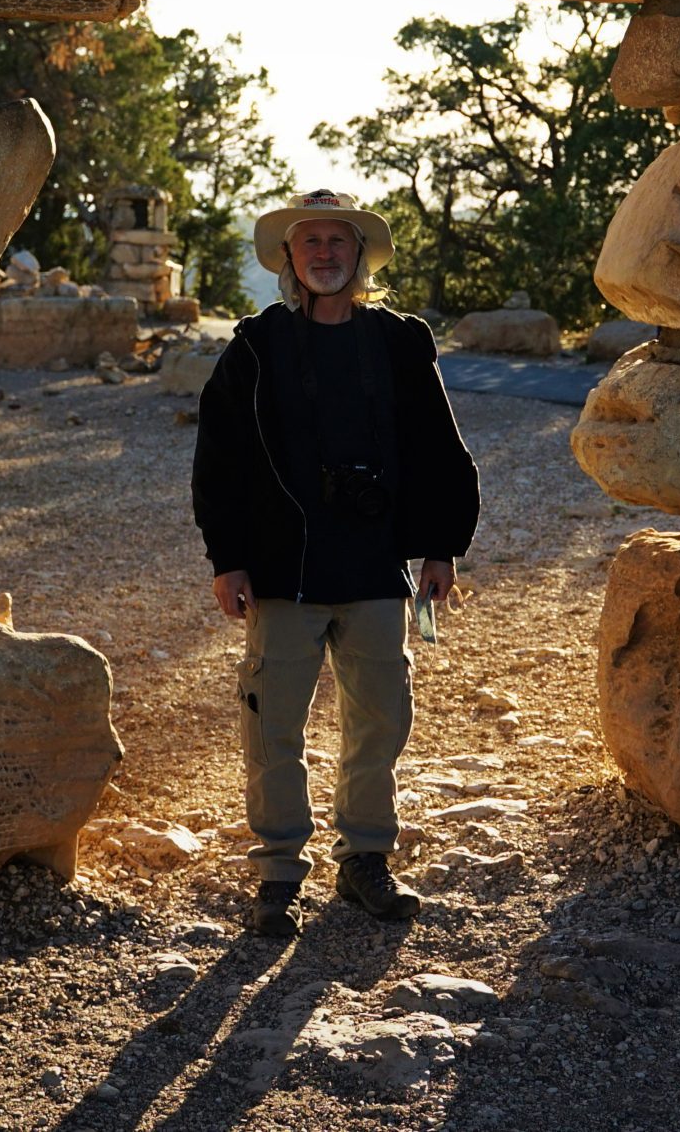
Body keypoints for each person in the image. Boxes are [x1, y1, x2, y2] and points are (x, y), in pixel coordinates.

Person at [190, 188, 480, 938]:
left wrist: (442, 545)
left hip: (378, 567)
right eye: (309, 241)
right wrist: (229, 559)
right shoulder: (255, 346)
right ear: (289, 257)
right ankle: (280, 870)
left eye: (337, 241)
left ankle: (365, 861)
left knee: (380, 721)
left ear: (359, 256)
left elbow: (441, 450)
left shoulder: (401, 342)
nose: (324, 253)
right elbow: (216, 459)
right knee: (273, 726)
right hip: (283, 570)